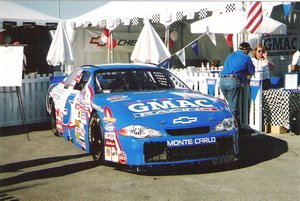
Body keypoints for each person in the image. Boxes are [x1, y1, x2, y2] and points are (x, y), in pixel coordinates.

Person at [220, 42, 255, 127]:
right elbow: (251, 71)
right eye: (248, 51)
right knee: (233, 107)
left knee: (230, 105)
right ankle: (231, 128)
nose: (248, 53)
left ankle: (234, 123)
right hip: (233, 81)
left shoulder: (230, 56)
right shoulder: (246, 58)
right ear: (246, 50)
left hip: (222, 81)